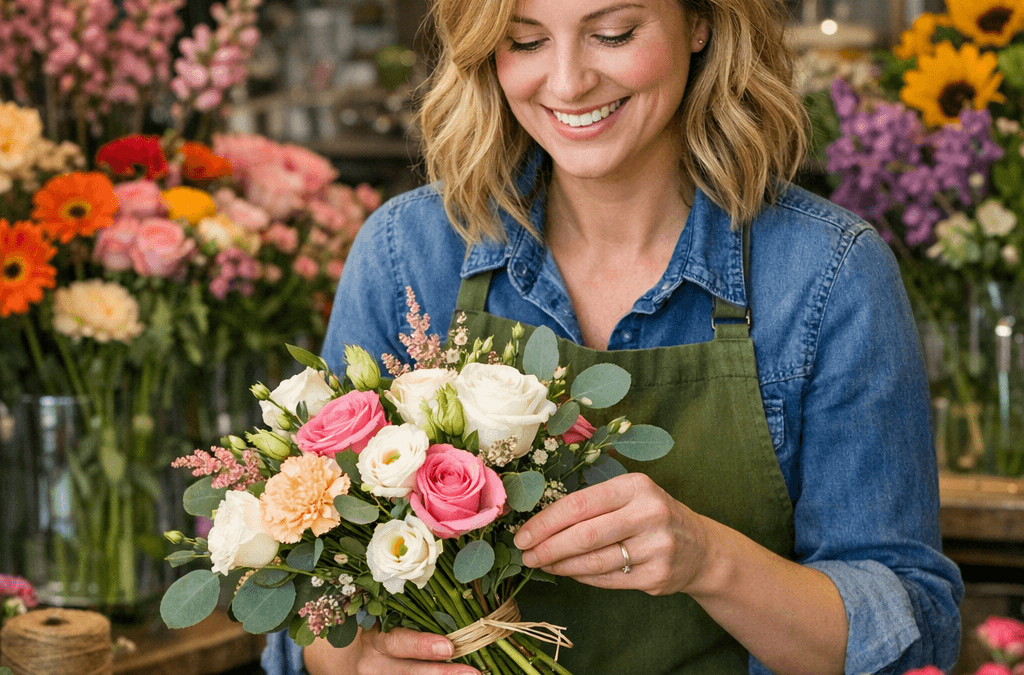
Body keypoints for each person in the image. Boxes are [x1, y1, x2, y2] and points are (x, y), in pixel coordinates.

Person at [262, 0, 964, 672]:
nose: (567, 81)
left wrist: (707, 559)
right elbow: (307, 595)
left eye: (615, 34)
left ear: (701, 22)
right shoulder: (409, 253)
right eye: (527, 40)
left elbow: (910, 632)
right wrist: (351, 659)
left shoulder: (828, 274)